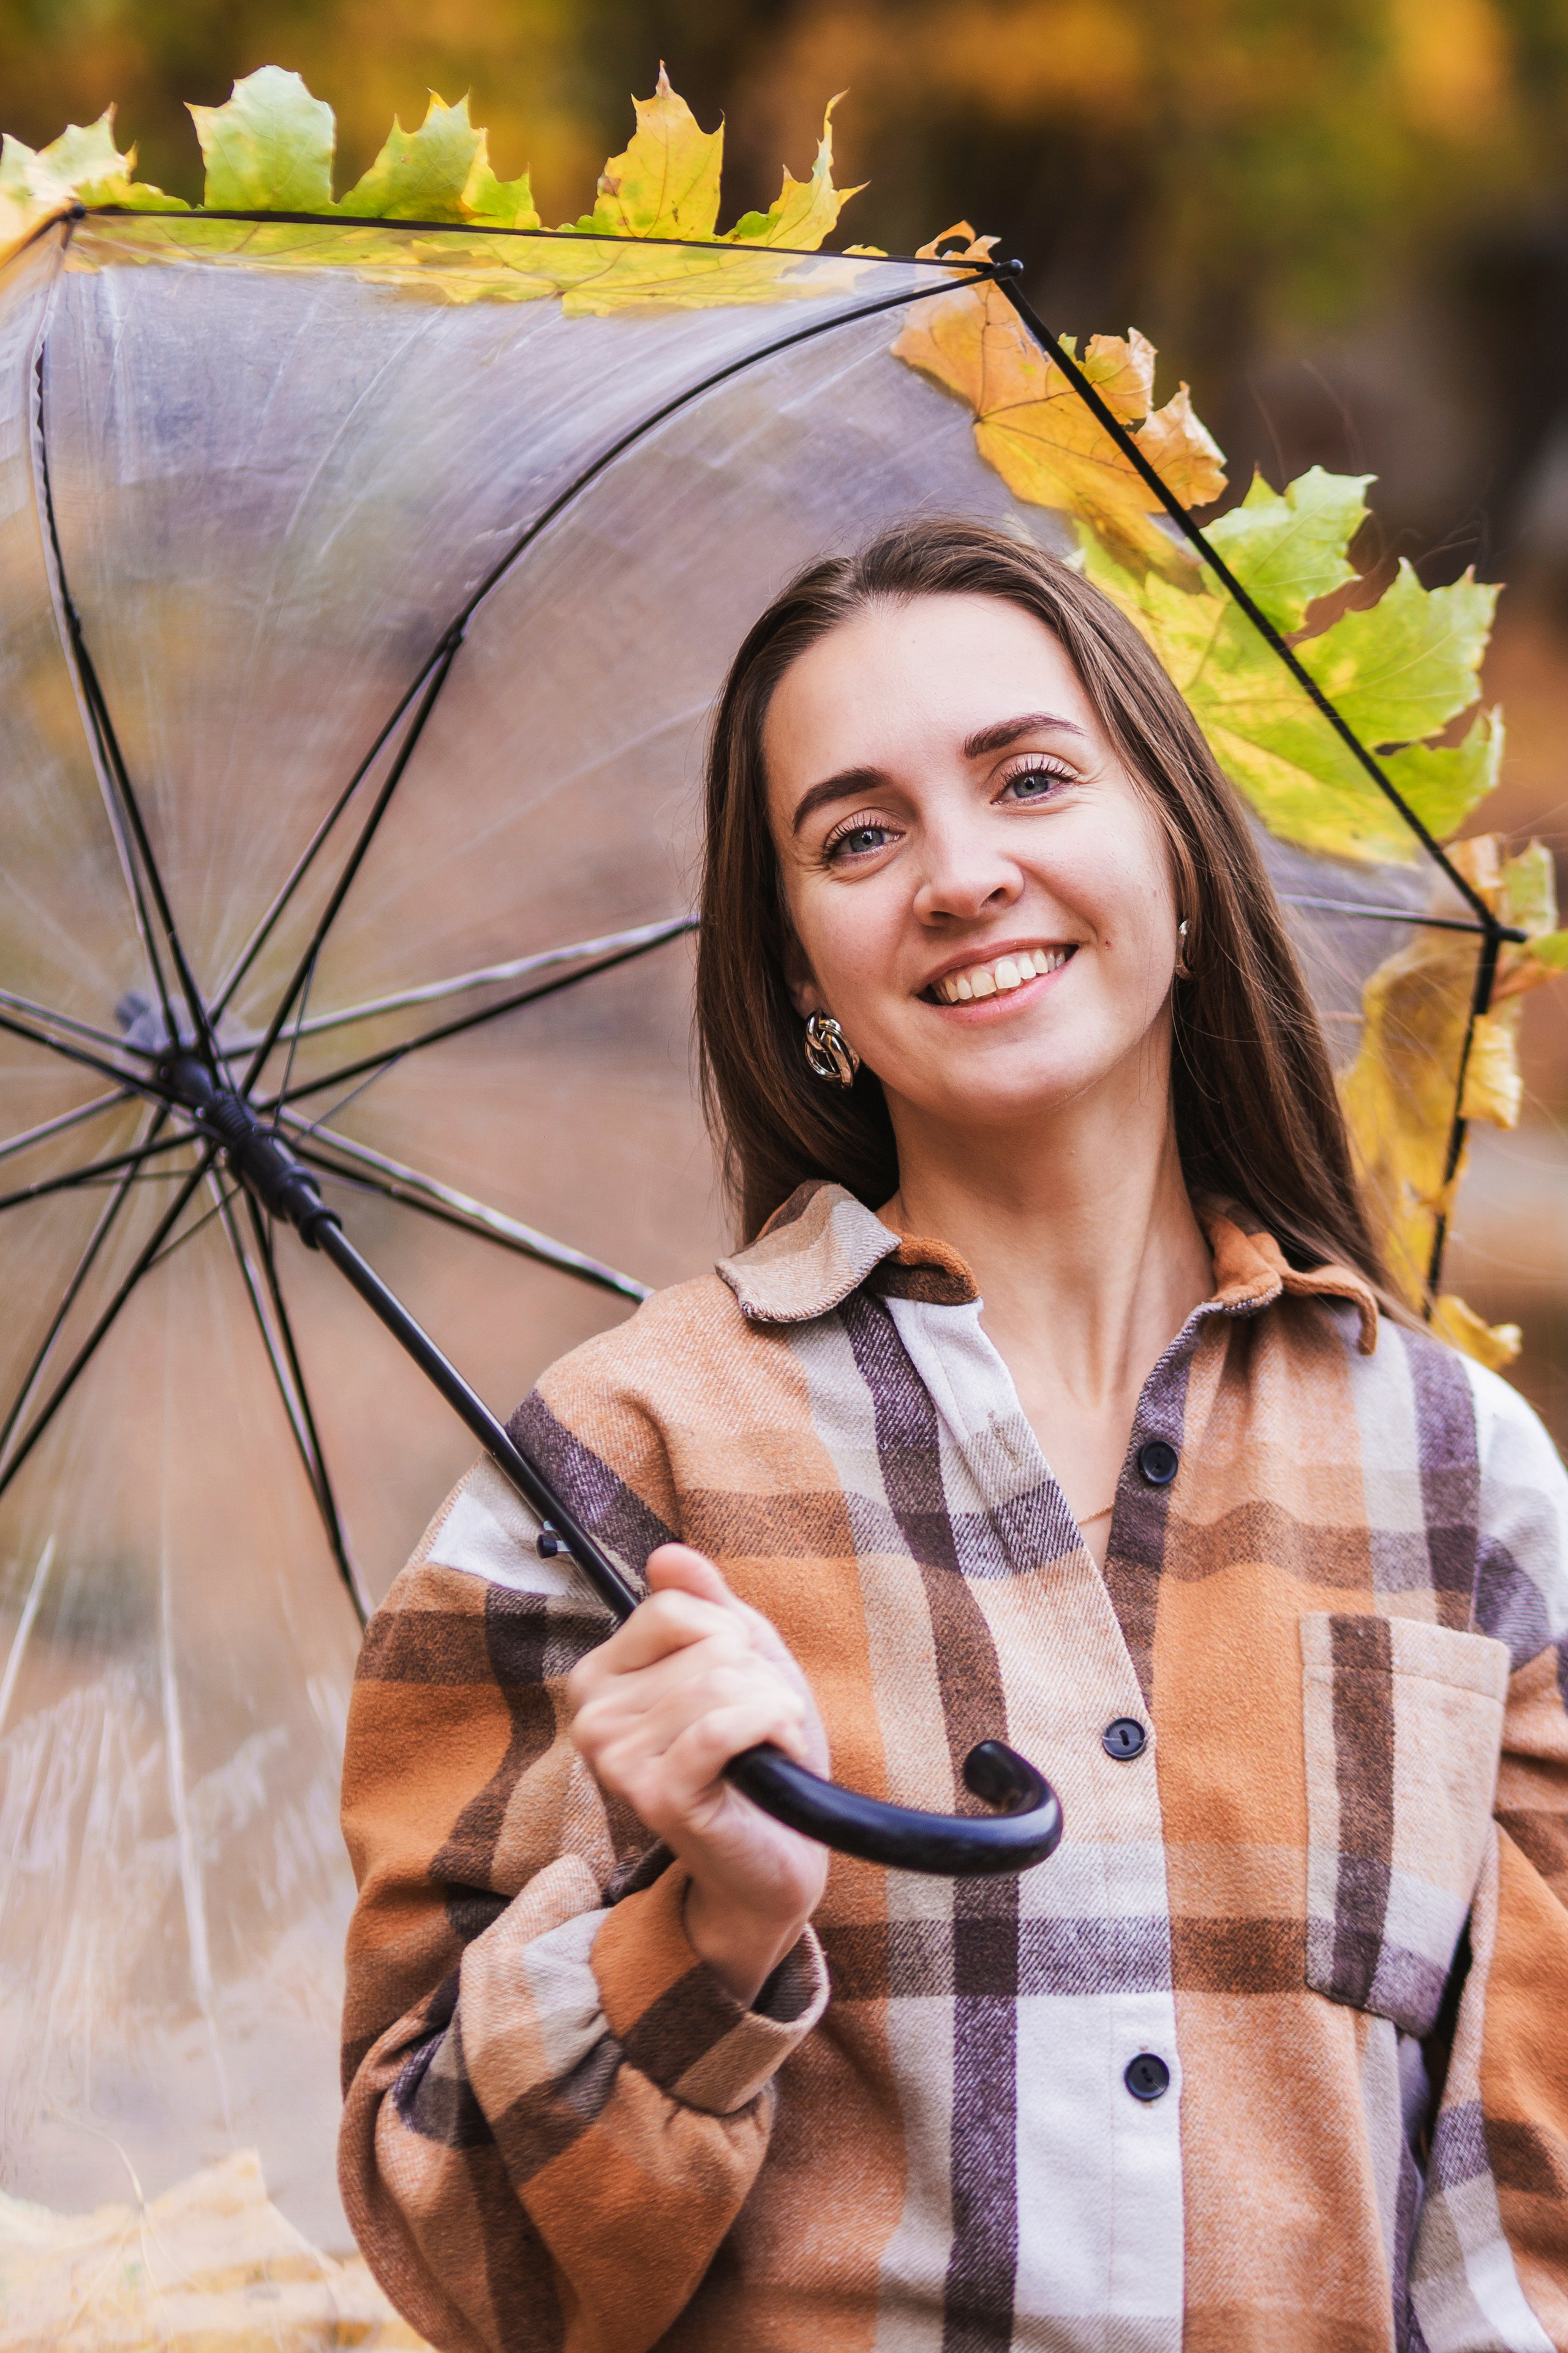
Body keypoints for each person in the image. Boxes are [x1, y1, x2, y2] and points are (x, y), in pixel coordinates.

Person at [337, 518, 1568, 2352]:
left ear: (1176, 852)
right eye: (858, 834)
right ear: (806, 980)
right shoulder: (614, 1472)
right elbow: (459, 2260)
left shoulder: (1460, 1475)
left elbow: (1528, 2218)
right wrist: (708, 1929)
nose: (961, 873)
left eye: (1033, 778)